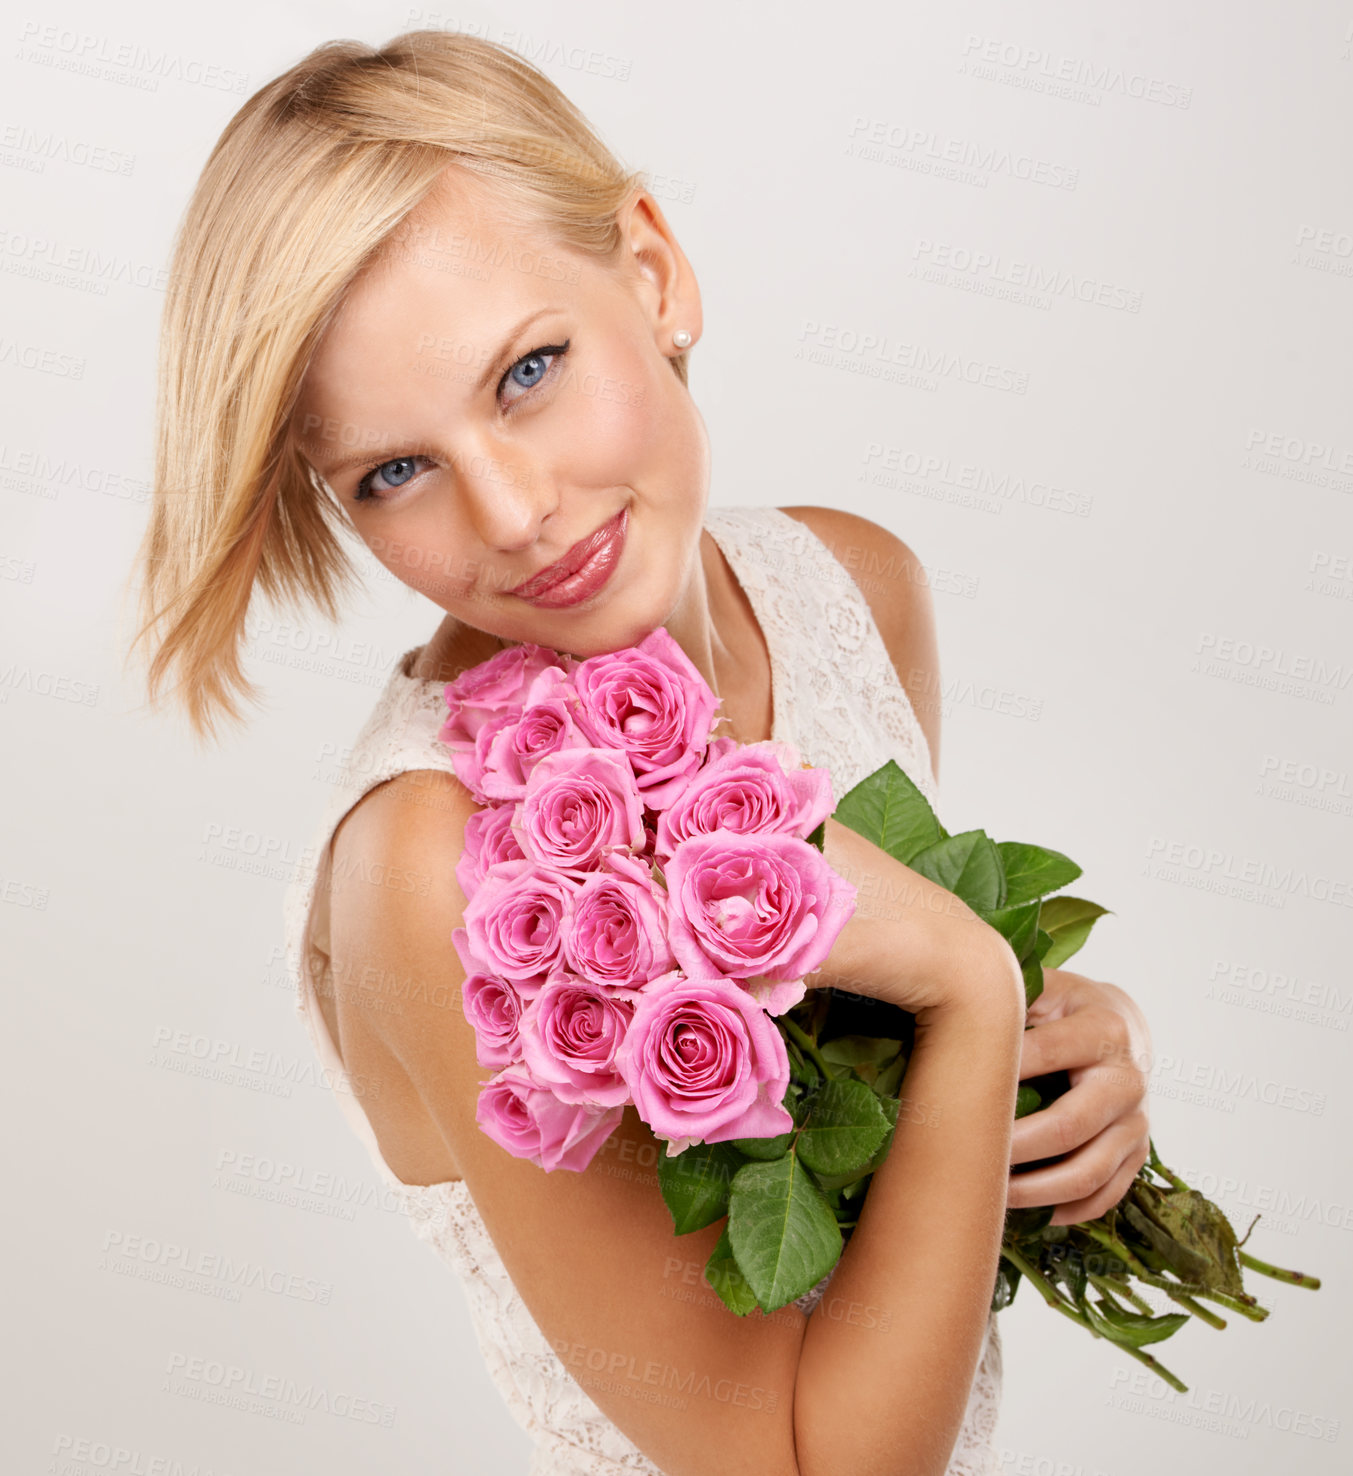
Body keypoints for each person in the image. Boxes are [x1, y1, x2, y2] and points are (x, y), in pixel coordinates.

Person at [128, 30, 1152, 1476]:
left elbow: (889, 1150)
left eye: (527, 371)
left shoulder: (846, 586)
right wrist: (975, 986)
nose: (510, 511)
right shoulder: (434, 861)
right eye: (394, 473)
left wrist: (1070, 1064)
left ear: (654, 274)